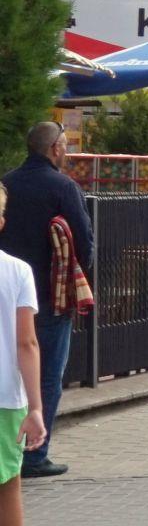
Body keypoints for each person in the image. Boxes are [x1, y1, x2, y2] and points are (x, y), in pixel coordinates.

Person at [0, 123, 90, 479]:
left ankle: (11, 448)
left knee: (11, 369)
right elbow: (83, 241)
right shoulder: (64, 187)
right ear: (55, 148)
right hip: (50, 295)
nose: (66, 151)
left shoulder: (8, 182)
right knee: (48, 375)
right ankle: (35, 454)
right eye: (65, 145)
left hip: (8, 292)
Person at [0, 182, 46, 526]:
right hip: (4, 398)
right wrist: (36, 407)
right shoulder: (16, 271)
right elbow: (26, 343)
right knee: (7, 488)